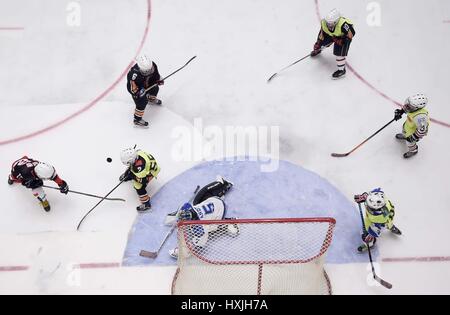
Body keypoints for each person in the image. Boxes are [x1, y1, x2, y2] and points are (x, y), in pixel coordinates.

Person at [166, 176, 235, 259]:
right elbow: (183, 208)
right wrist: (176, 218)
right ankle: (222, 184)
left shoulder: (198, 228)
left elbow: (200, 243)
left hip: (220, 212)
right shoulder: (187, 208)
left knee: (212, 228)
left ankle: (230, 222)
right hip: (214, 200)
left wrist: (182, 250)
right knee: (197, 200)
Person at [310, 8, 355, 79]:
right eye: (328, 23)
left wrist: (341, 40)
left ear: (336, 21)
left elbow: (351, 34)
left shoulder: (343, 25)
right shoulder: (324, 23)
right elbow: (322, 34)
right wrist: (318, 43)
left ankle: (342, 71)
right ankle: (319, 49)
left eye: (331, 23)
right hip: (332, 34)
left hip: (343, 36)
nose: (328, 25)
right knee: (323, 42)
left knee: (339, 53)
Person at [126, 54, 164, 128]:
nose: (149, 72)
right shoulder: (133, 74)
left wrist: (159, 79)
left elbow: (156, 74)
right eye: (146, 72)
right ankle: (137, 119)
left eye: (150, 70)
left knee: (155, 89)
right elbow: (131, 87)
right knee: (142, 102)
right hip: (138, 90)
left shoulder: (153, 65)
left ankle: (151, 99)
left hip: (148, 84)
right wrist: (137, 92)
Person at [119, 147, 160, 212]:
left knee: (138, 186)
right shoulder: (137, 154)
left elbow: (143, 181)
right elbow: (132, 166)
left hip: (151, 171)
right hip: (147, 166)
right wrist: (130, 173)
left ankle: (146, 204)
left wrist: (132, 175)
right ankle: (130, 174)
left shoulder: (139, 167)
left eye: (127, 162)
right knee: (131, 170)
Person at [393, 93, 430, 158]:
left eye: (409, 106)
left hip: (414, 132)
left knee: (409, 142)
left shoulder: (421, 117)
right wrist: (401, 112)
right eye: (408, 104)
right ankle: (405, 135)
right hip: (409, 125)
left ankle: (413, 150)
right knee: (404, 130)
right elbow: (406, 107)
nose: (407, 106)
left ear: (417, 108)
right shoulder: (412, 108)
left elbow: (422, 130)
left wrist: (413, 137)